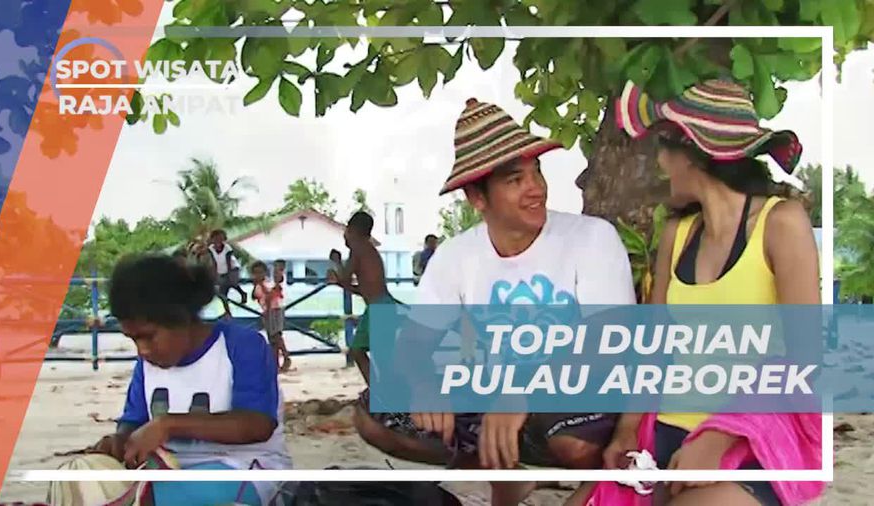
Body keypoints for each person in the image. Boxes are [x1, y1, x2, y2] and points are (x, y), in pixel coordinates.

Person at [353, 98, 637, 506]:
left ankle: (589, 484)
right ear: (477, 198)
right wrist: (424, 383)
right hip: (493, 404)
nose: (535, 188)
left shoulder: (591, 237)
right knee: (375, 412)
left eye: (536, 172)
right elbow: (414, 345)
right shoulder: (455, 255)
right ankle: (497, 473)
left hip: (574, 400)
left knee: (573, 442)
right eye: (514, 179)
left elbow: (609, 344)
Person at [586, 80, 824, 506]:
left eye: (663, 148)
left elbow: (803, 359)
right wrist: (626, 431)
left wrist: (717, 435)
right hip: (664, 434)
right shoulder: (677, 235)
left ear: (693, 153)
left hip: (750, 440)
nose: (659, 162)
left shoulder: (780, 222)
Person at [59, 254, 291, 505]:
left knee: (149, 499)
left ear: (182, 318)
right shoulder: (147, 365)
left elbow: (257, 425)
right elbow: (133, 422)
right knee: (73, 484)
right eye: (134, 339)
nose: (143, 350)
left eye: (149, 336)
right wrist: (118, 443)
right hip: (166, 471)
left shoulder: (241, 346)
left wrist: (168, 425)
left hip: (247, 469)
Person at [331, 211, 394, 385]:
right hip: (380, 305)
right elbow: (365, 289)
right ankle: (378, 391)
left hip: (378, 307)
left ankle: (382, 393)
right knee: (364, 352)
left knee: (372, 355)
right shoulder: (368, 249)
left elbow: (345, 277)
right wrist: (339, 282)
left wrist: (336, 263)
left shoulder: (357, 248)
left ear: (350, 230)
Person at [251, 260, 292, 372]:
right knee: (272, 338)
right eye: (256, 273)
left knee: (276, 335)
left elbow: (270, 296)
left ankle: (286, 355)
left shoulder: (267, 283)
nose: (258, 275)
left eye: (260, 273)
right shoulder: (258, 286)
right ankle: (276, 363)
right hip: (269, 310)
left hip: (274, 309)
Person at [207, 229, 247, 312]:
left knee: (232, 283)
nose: (218, 242)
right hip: (221, 269)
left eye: (220, 239)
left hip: (232, 269)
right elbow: (214, 261)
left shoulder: (227, 249)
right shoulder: (210, 249)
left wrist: (228, 275)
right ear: (212, 240)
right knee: (222, 292)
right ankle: (227, 311)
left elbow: (228, 263)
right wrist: (215, 274)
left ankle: (242, 294)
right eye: (216, 239)